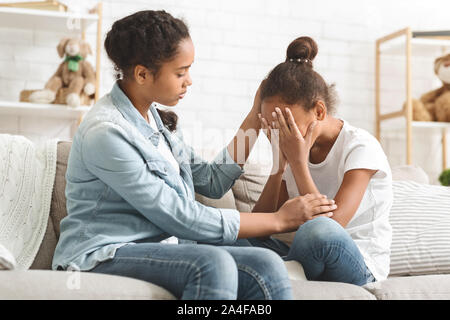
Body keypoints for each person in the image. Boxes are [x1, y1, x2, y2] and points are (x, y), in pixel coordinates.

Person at [51, 11, 337, 300]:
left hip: (163, 248)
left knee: (266, 263)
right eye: (180, 72)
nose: (189, 81)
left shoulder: (158, 123)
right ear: (142, 74)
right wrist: (279, 220)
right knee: (213, 264)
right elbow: (181, 217)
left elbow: (213, 181)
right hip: (104, 254)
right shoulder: (106, 133)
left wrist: (254, 115)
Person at [255, 36, 393, 286]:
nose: (280, 133)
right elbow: (262, 224)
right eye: (273, 125)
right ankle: (288, 273)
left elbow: (332, 226)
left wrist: (298, 163)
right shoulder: (291, 145)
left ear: (319, 111)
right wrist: (278, 168)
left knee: (318, 232)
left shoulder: (360, 146)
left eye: (286, 123)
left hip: (357, 261)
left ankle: (284, 273)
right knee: (236, 236)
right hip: (308, 254)